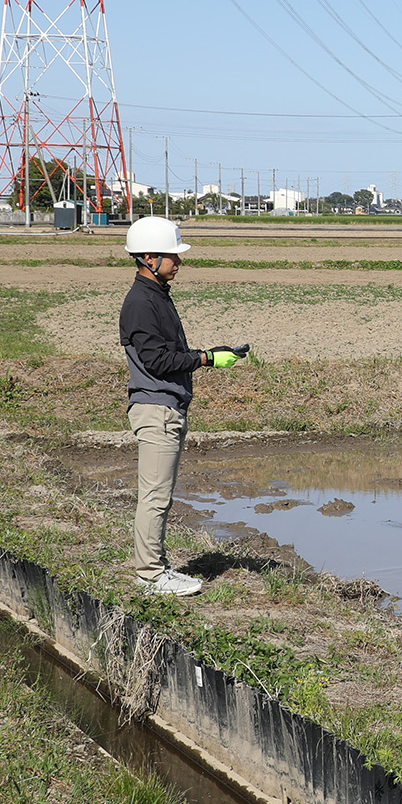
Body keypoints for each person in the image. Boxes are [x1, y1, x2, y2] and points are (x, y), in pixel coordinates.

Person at [118, 216, 245, 596]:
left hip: (166, 406)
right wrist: (205, 359)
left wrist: (212, 353)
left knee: (159, 492)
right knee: (155, 495)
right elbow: (157, 361)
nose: (179, 261)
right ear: (150, 257)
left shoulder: (155, 296)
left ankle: (154, 568)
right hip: (156, 409)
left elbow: (169, 353)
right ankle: (152, 575)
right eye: (173, 255)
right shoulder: (141, 302)